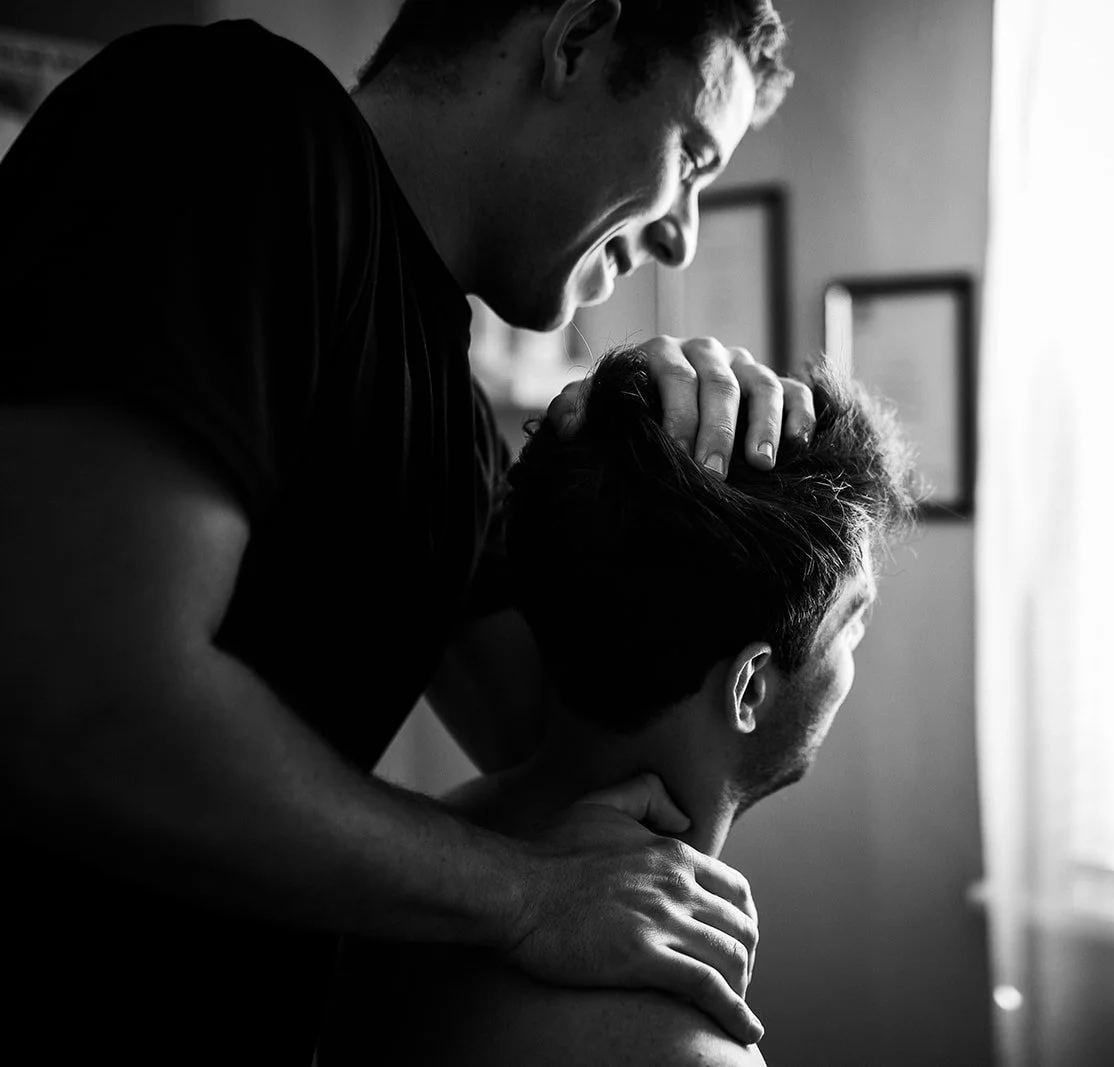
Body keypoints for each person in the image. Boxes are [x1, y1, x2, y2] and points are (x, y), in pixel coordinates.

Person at [0, 1, 806, 1061]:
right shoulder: (232, 126)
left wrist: (638, 449)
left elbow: (578, 734)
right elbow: (84, 700)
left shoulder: (451, 413)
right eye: (691, 158)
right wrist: (525, 892)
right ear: (574, 40)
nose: (682, 235)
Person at [317, 345, 918, 1065]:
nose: (857, 640)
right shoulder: (688, 1051)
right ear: (750, 687)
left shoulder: (376, 893)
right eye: (851, 620)